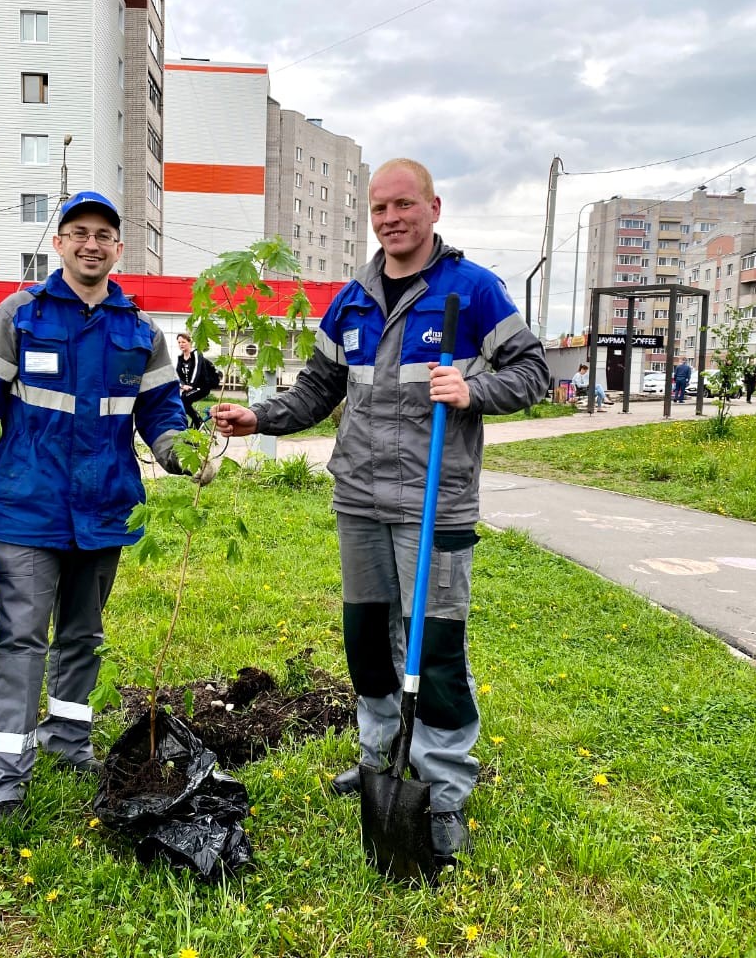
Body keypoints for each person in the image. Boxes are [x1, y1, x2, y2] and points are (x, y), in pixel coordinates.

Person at [211, 158, 549, 865]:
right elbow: (317, 389)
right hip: (360, 498)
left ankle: (443, 789)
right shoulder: (352, 301)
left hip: (435, 501)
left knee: (435, 647)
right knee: (367, 640)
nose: (391, 218)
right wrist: (260, 418)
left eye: (404, 204)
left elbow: (532, 371)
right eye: (379, 208)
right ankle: (377, 759)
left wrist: (474, 391)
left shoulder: (472, 291)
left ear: (434, 207)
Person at [0, 190, 212, 824]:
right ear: (59, 243)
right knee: (21, 639)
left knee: (84, 635)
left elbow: (161, 416)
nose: (90, 244)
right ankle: (4, 777)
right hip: (30, 507)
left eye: (102, 235)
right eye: (78, 232)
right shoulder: (20, 316)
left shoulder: (139, 333)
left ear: (118, 248)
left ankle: (69, 741)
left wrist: (186, 455)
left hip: (105, 509)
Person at [176, 332, 217, 428]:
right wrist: (182, 385)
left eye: (183, 342)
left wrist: (190, 384)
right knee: (180, 403)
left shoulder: (196, 354)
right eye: (179, 342)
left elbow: (196, 370)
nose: (181, 344)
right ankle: (189, 427)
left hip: (202, 387)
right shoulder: (181, 358)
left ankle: (197, 422)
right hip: (190, 388)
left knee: (183, 400)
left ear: (189, 342)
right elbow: (178, 374)